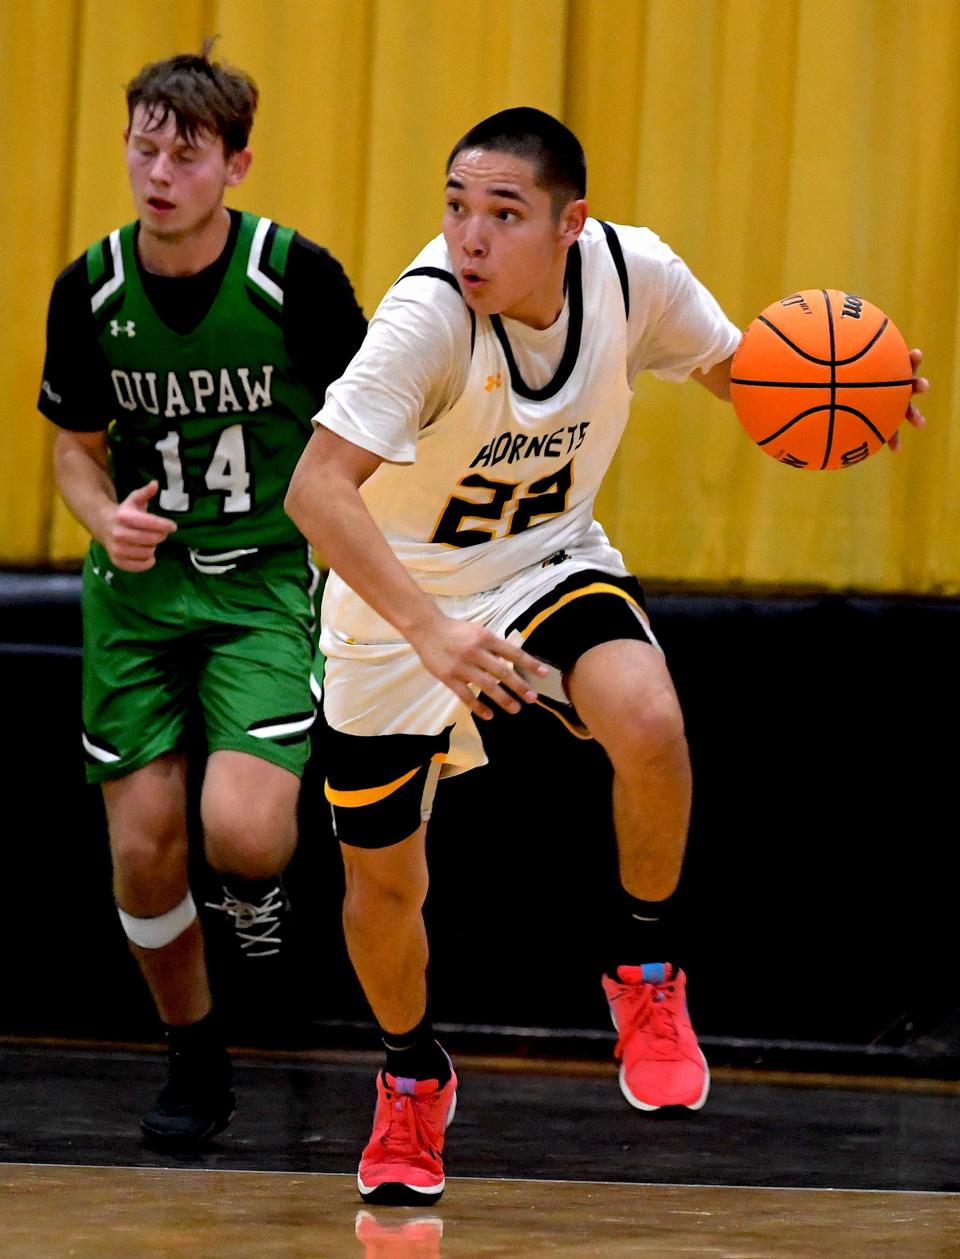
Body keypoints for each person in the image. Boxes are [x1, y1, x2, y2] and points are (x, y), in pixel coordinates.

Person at [285, 107, 928, 1206]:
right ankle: (410, 1074)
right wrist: (432, 634)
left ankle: (645, 966)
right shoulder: (425, 319)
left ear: (569, 225)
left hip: (545, 561)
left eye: (502, 213)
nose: (470, 237)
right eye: (455, 207)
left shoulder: (635, 279)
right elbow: (314, 491)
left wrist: (848, 387)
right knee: (384, 885)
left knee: (650, 720)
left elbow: (737, 370)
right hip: (393, 608)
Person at [37, 45, 367, 1149]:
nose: (160, 170)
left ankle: (255, 887)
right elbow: (75, 453)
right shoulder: (90, 287)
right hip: (138, 589)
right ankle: (194, 1054)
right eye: (145, 145)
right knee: (140, 851)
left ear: (236, 163)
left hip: (265, 573)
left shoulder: (295, 278)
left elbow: (366, 427)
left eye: (187, 151)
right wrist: (102, 522)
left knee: (245, 831)